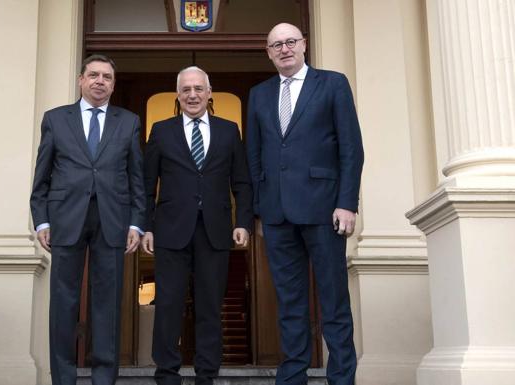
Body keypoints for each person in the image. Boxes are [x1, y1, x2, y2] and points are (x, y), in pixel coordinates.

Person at [246, 23, 364, 385]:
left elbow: (351, 149)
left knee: (334, 302)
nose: (284, 49)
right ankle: (292, 377)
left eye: (290, 42)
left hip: (325, 210)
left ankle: (341, 378)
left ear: (304, 45)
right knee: (289, 303)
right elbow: (254, 155)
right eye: (276, 44)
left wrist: (347, 203)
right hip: (278, 215)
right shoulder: (259, 94)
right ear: (268, 53)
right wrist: (259, 210)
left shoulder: (333, 83)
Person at [30, 54, 145, 385]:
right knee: (64, 303)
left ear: (113, 84)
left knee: (107, 305)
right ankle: (63, 378)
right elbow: (43, 175)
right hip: (65, 219)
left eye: (107, 77)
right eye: (93, 75)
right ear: (81, 80)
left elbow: (136, 177)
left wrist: (136, 223)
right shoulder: (55, 119)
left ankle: (103, 379)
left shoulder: (128, 121)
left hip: (113, 220)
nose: (100, 81)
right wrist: (42, 221)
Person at [141, 66, 252, 385]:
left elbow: (242, 182)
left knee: (209, 307)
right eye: (186, 89)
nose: (192, 94)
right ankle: (166, 374)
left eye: (198, 89)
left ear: (209, 92)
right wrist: (146, 226)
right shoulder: (161, 131)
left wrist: (242, 221)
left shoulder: (230, 130)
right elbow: (148, 184)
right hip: (170, 230)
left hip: (215, 230)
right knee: (168, 306)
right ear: (178, 94)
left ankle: (207, 374)